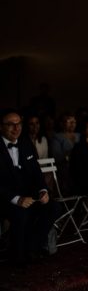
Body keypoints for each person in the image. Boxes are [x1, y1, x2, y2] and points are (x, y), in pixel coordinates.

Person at [0, 108, 57, 267]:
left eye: (18, 124)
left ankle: (32, 248)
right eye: (10, 124)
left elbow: (36, 173)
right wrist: (17, 199)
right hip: (5, 199)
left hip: (28, 195)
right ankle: (17, 257)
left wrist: (43, 190)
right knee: (21, 213)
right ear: (1, 127)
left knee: (52, 207)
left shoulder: (25, 143)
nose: (16, 128)